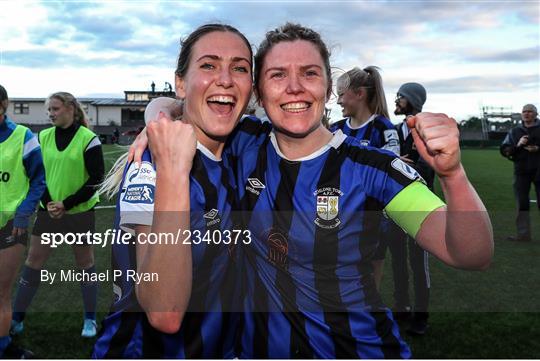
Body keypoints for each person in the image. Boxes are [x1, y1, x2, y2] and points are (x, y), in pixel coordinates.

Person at [129, 23, 493, 358]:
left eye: (309, 73)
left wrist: (453, 174)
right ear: (258, 90)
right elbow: (195, 107)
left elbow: (469, 253)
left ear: (329, 88)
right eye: (277, 75)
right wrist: (161, 116)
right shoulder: (244, 143)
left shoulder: (371, 168)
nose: (294, 87)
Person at [93, 23, 253, 358]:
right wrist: (174, 171)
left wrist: (160, 113)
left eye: (239, 68)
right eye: (208, 65)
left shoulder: (244, 148)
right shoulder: (149, 164)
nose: (225, 78)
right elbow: (163, 312)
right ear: (181, 82)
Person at [11, 92, 105, 338]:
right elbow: (36, 175)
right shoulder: (42, 137)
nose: (51, 114)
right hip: (48, 213)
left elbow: (96, 180)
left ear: (71, 109)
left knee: (85, 264)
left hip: (79, 214)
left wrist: (67, 203)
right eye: (49, 110)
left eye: (55, 109)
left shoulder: (89, 139)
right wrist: (49, 203)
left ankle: (90, 321)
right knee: (32, 263)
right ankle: (17, 318)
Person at [331, 66, 404, 301]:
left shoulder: (383, 127)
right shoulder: (335, 129)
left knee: (372, 275)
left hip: (374, 216)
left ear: (359, 93)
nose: (339, 100)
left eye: (342, 94)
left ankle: (368, 321)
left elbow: (389, 165)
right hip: (338, 215)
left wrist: (353, 160)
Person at [0, 85, 45, 358]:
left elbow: (39, 180)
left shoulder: (23, 137)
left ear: (3, 104)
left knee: (1, 293)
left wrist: (23, 212)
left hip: (10, 227)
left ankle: (4, 349)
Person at [391, 82, 434, 335]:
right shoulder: (395, 129)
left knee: (419, 263)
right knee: (397, 260)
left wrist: (406, 165)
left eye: (401, 96)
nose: (396, 100)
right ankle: (402, 308)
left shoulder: (426, 128)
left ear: (413, 100)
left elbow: (431, 167)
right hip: (396, 204)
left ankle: (421, 315)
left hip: (421, 205)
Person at [500, 103, 540, 242]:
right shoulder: (515, 132)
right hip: (521, 171)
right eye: (524, 111)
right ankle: (523, 235)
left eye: (530, 111)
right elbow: (505, 150)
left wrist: (537, 149)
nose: (526, 113)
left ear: (536, 114)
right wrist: (518, 144)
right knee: (522, 203)